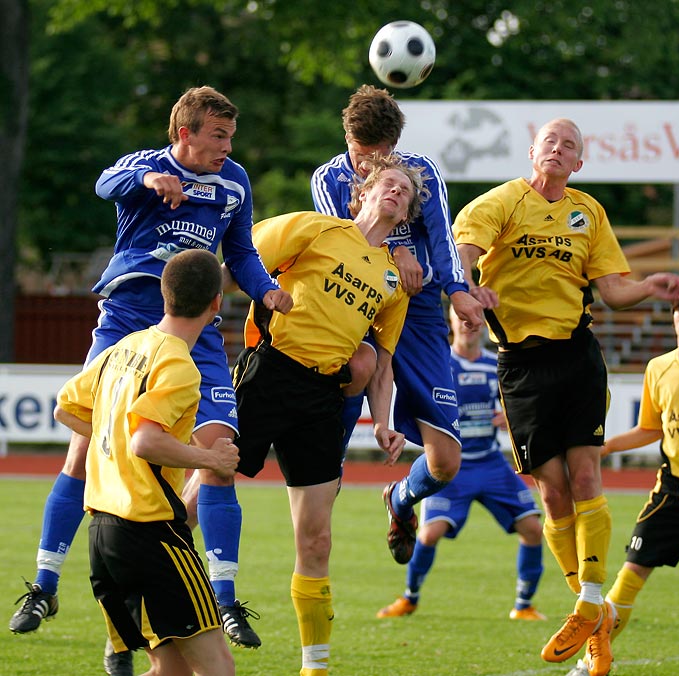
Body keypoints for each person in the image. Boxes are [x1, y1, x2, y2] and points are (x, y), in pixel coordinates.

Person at [9, 86, 292, 668]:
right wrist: (148, 182)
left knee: (220, 451)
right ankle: (44, 584)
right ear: (184, 133)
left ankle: (222, 594)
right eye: (217, 135)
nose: (226, 147)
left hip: (197, 329)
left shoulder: (234, 183)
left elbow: (239, 251)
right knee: (85, 447)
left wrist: (265, 288)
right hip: (129, 318)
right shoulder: (145, 165)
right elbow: (104, 183)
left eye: (230, 137)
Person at [452, 118, 679, 676]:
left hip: (576, 354)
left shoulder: (590, 213)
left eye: (570, 147)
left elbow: (612, 291)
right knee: (553, 494)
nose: (559, 150)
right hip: (519, 363)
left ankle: (589, 601)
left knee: (586, 478)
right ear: (532, 151)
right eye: (550, 142)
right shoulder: (501, 202)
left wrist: (652, 285)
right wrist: (466, 284)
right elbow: (463, 250)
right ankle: (598, 622)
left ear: (579, 163)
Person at [232, 155, 424, 676]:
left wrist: (383, 422)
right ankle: (154, 579)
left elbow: (382, 363)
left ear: (406, 213)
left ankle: (314, 667)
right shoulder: (315, 228)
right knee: (203, 488)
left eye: (404, 192)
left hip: (325, 397)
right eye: (388, 183)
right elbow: (239, 254)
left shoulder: (393, 278)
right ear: (361, 193)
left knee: (317, 538)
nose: (396, 192)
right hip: (270, 371)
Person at [311, 84, 484, 569]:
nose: (372, 165)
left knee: (447, 462)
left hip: (420, 310)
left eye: (383, 154)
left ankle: (401, 497)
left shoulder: (422, 173)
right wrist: (397, 251)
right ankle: (322, 496)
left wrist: (458, 291)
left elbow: (444, 237)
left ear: (396, 144)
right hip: (361, 306)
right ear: (347, 139)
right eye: (363, 155)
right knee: (357, 373)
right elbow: (346, 249)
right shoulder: (328, 179)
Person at [52, 249, 238, 676]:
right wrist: (208, 457)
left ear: (163, 292)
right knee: (218, 669)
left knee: (170, 671)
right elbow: (145, 441)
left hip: (102, 534)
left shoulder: (125, 346)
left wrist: (112, 438)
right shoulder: (179, 364)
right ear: (216, 304)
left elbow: (66, 409)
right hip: (151, 535)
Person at [376, 303, 546, 621]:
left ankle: (524, 606)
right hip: (454, 467)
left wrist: (508, 418)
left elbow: (518, 408)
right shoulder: (440, 365)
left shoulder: (495, 364)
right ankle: (409, 597)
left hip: (491, 463)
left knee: (533, 528)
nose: (469, 323)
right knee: (429, 534)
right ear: (451, 321)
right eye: (461, 316)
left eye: (474, 317)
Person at [566, 283, 679, 676]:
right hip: (673, 494)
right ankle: (591, 661)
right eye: (678, 310)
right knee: (627, 580)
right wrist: (602, 448)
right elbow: (649, 429)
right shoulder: (659, 368)